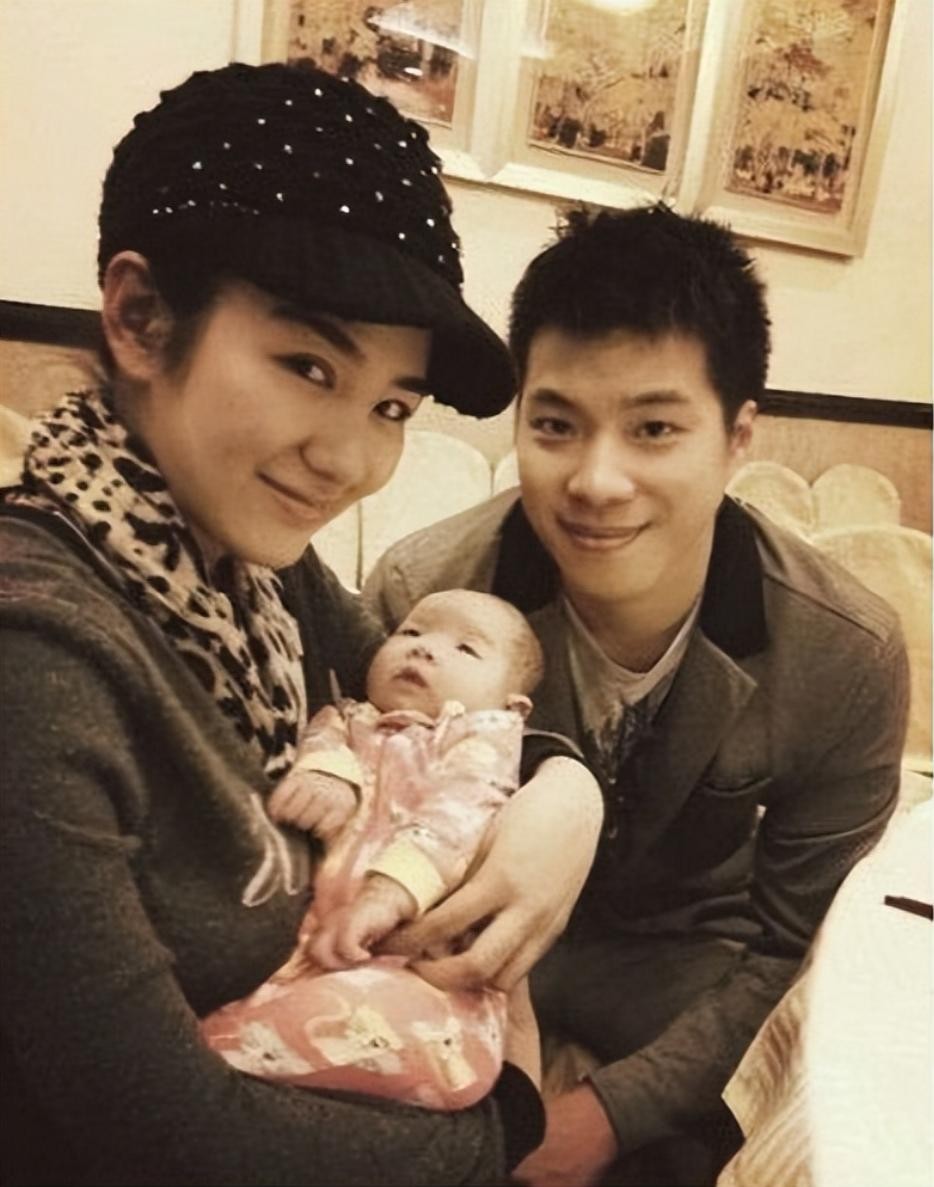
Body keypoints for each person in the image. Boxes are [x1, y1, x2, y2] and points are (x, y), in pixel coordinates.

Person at [0, 62, 606, 1186]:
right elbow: (162, 1132)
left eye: (390, 405)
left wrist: (569, 788)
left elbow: (423, 685)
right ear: (140, 318)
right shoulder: (38, 652)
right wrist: (509, 1123)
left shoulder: (251, 573)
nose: (349, 457)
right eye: (308, 364)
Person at [363, 204, 910, 1186]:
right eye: (555, 425)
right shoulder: (424, 595)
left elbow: (792, 944)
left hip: (678, 966)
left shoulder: (843, 651)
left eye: (654, 427)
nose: (595, 480)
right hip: (464, 945)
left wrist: (609, 1115)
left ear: (737, 436)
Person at [201, 588, 545, 1111]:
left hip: (424, 974)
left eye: (466, 648)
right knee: (288, 1003)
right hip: (315, 949)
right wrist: (331, 775)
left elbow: (459, 815)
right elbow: (319, 738)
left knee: (398, 1030)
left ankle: (215, 1056)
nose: (425, 648)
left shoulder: (479, 738)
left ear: (512, 705)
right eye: (411, 632)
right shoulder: (348, 719)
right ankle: (226, 1056)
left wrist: (388, 895)